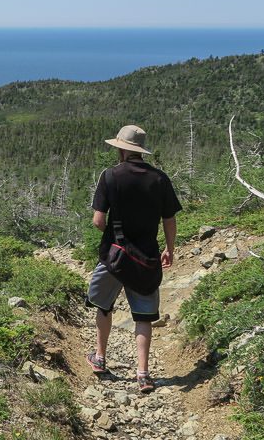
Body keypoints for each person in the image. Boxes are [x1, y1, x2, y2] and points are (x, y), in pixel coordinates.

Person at [85, 125, 182, 393]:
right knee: (143, 316)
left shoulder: (110, 176)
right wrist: (169, 249)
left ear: (121, 148)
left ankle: (100, 357)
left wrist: (117, 235)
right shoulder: (160, 179)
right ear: (140, 150)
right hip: (147, 257)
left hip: (113, 256)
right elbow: (169, 219)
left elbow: (97, 220)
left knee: (104, 306)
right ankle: (143, 374)